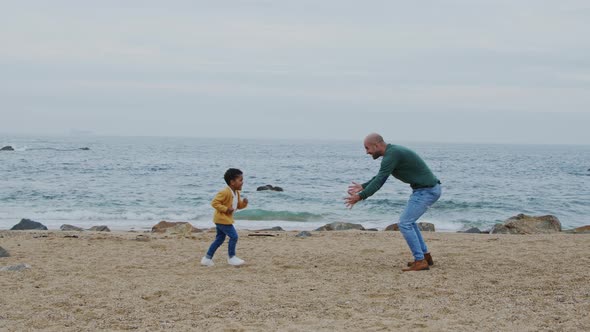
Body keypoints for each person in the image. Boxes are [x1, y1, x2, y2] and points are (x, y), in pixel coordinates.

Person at [344, 133, 441, 272]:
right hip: (425, 189)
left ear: (376, 145)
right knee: (409, 222)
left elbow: (380, 180)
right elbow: (380, 175)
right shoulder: (392, 153)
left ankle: (420, 261)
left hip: (427, 190)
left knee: (405, 223)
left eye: (367, 148)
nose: (367, 152)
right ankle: (425, 257)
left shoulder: (392, 154)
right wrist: (364, 186)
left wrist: (360, 196)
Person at [201, 168, 249, 267]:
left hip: (223, 219)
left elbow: (237, 206)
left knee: (219, 239)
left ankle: (207, 258)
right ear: (232, 182)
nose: (242, 182)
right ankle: (231, 257)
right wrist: (226, 209)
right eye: (240, 180)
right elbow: (214, 203)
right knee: (234, 236)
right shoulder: (225, 192)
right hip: (222, 219)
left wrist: (244, 204)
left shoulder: (236, 193)